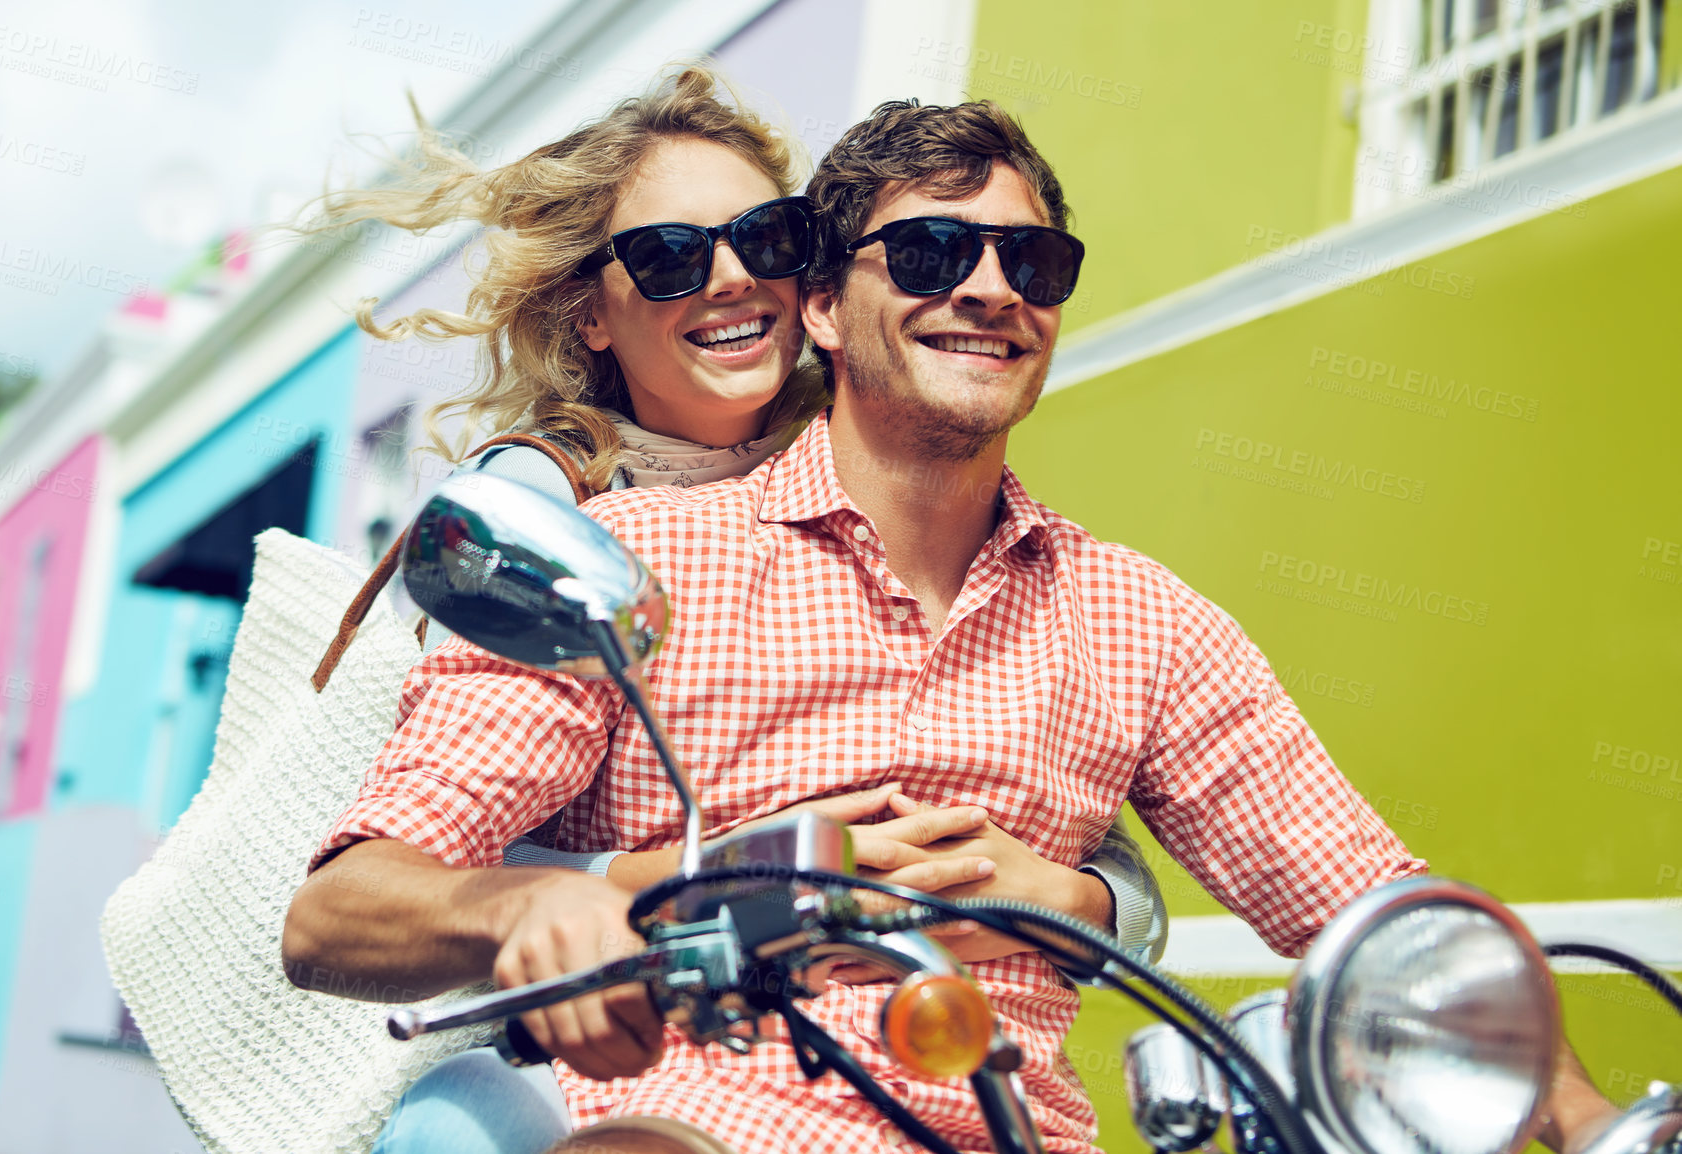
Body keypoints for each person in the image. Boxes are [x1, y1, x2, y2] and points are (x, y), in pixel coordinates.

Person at [286, 96, 1617, 1154]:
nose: (989, 287)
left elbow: (1378, 908)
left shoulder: (1142, 619)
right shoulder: (636, 554)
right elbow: (341, 907)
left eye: (1029, 260)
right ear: (823, 305)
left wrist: (1593, 1117)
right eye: (929, 252)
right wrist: (548, 905)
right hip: (692, 1123)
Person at [304, 66, 1164, 1153]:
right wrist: (719, 872)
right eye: (669, 256)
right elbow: (442, 848)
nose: (732, 279)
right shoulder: (553, 506)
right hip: (583, 1033)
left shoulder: (898, 473)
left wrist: (1064, 892)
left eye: (765, 241)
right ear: (592, 311)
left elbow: (1078, 832)